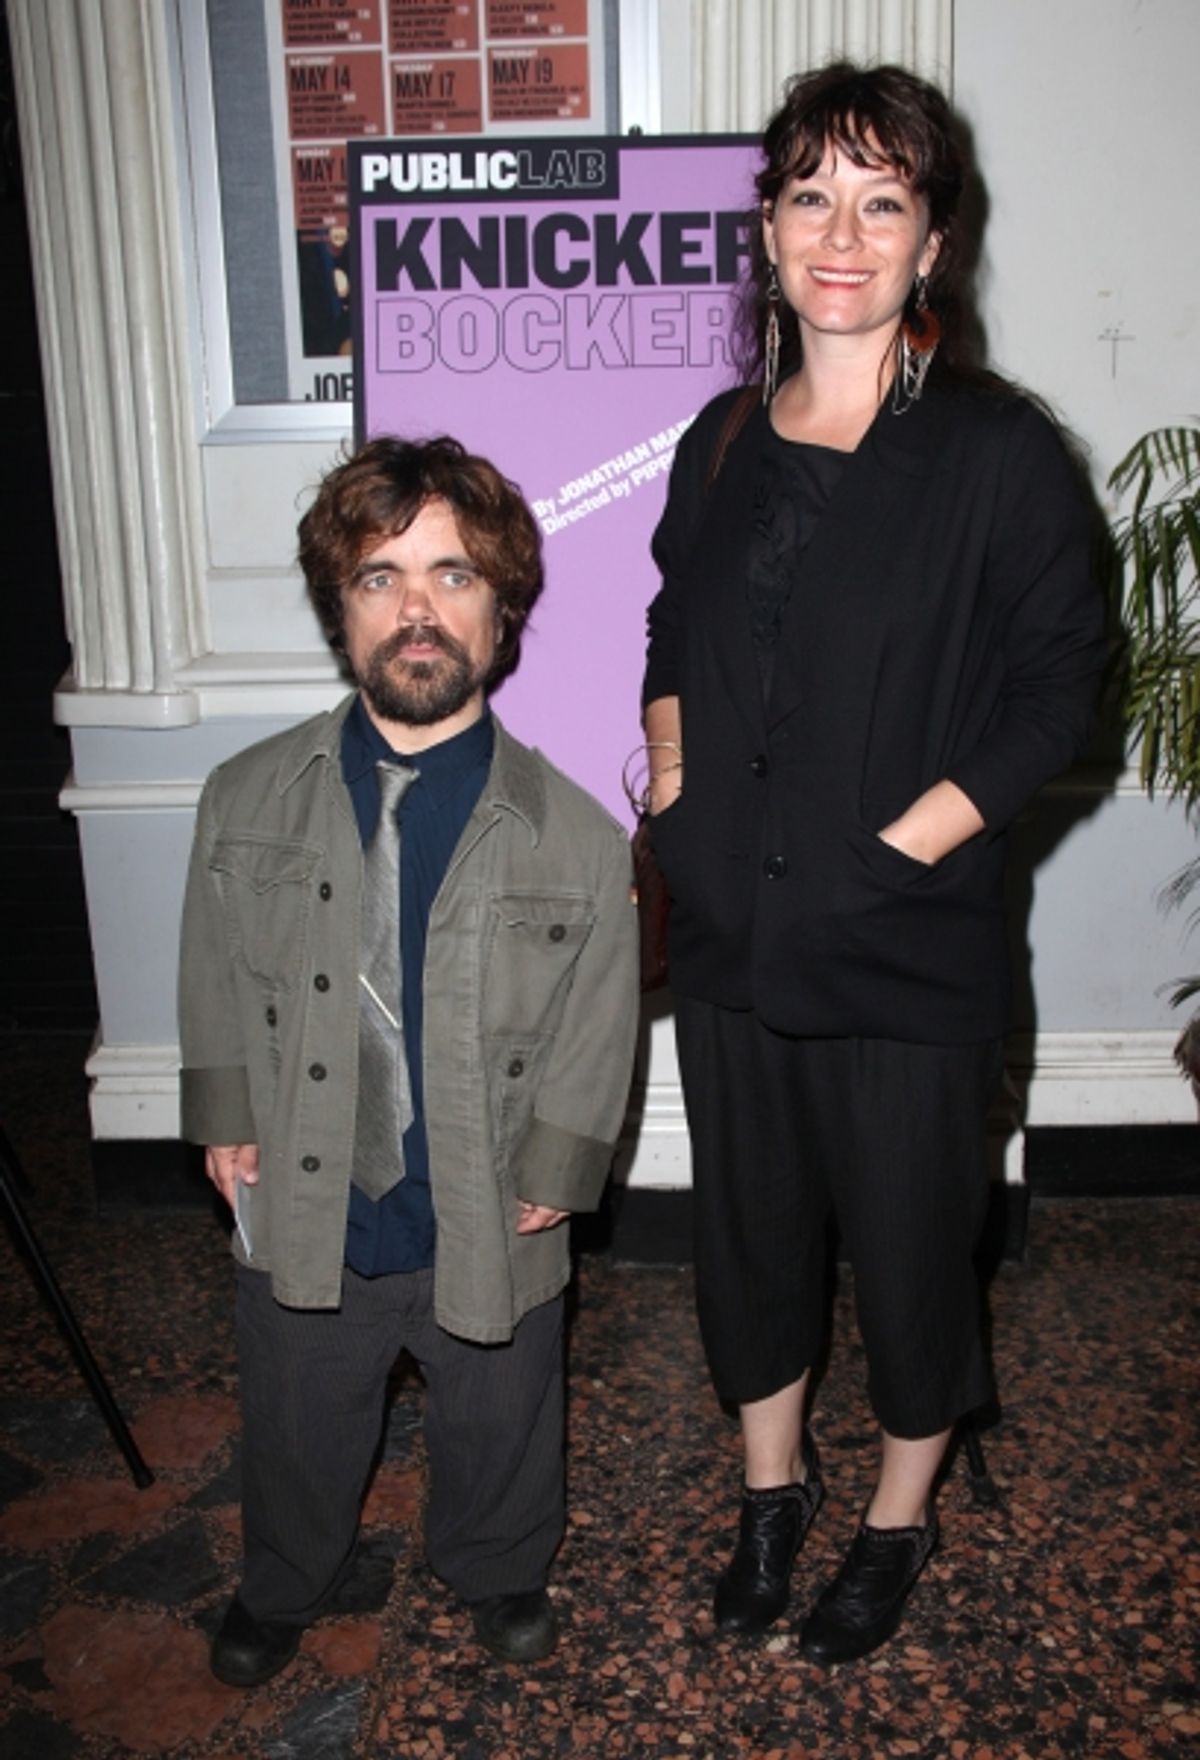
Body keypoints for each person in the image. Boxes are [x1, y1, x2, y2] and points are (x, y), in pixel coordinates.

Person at [641, 62, 1104, 1665]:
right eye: (812, 196)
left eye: (882, 201)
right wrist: (678, 776)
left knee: (912, 1251)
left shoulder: (997, 455)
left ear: (932, 244)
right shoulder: (716, 445)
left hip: (908, 946)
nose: (843, 232)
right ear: (766, 227)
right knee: (749, 1233)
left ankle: (898, 1509)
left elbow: (1061, 684)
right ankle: (772, 1492)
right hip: (735, 941)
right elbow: (666, 623)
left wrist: (909, 837)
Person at [179, 436, 638, 1685]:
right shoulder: (244, 796)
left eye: (452, 573)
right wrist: (222, 1110)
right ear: (342, 609)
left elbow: (601, 1019)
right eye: (380, 577)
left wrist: (565, 1156)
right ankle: (285, 1577)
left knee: (502, 1406)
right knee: (295, 1406)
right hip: (312, 1185)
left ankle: (496, 1564)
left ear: (503, 608)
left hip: (489, 1193)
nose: (416, 608)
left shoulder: (579, 837)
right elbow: (212, 968)